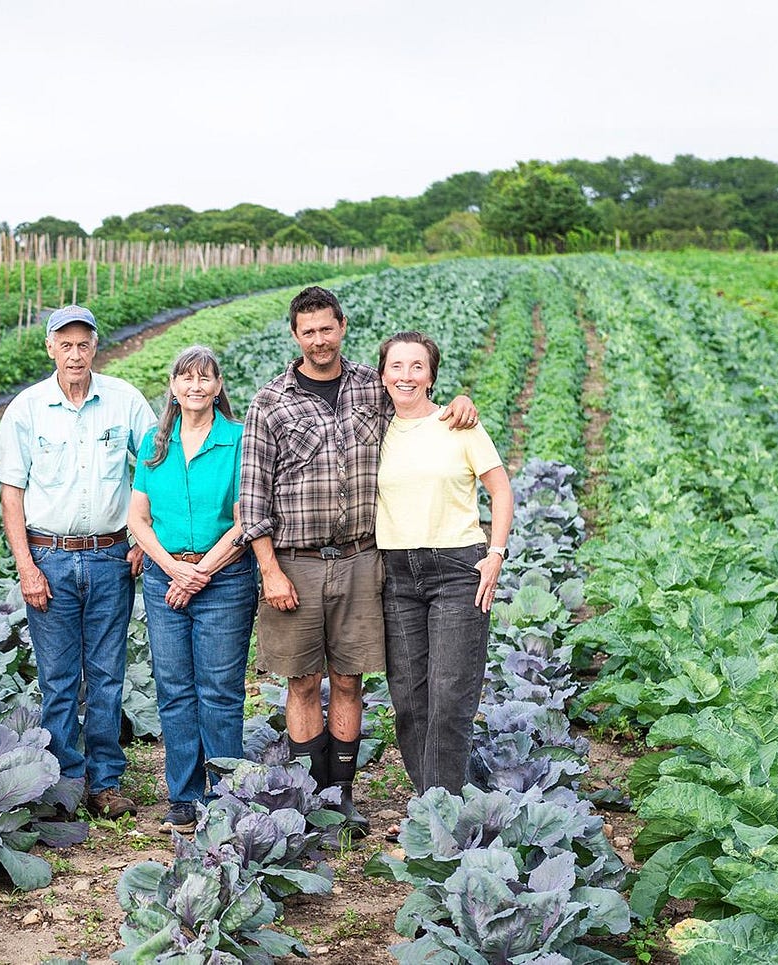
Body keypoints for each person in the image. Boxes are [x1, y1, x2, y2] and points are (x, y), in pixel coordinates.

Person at [238, 285, 477, 837]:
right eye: (308, 332)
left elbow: (423, 406)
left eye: (327, 328)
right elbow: (251, 497)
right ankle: (306, 800)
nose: (319, 340)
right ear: (295, 337)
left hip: (362, 558)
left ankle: (340, 797)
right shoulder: (271, 401)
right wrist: (269, 569)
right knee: (301, 682)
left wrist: (462, 402)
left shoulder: (372, 386)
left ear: (342, 327)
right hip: (294, 562)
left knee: (348, 681)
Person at [0, 304, 156, 820]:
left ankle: (105, 780)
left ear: (95, 347)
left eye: (84, 344)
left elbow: (153, 468)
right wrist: (26, 567)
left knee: (107, 674)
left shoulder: (124, 401)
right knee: (59, 677)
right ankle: (64, 781)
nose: (75, 353)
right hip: (50, 557)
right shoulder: (28, 407)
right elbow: (10, 495)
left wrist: (141, 541)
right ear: (50, 348)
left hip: (109, 556)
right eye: (66, 344)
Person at [126, 346, 256, 834]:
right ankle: (183, 797)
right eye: (186, 378)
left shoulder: (239, 440)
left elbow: (245, 520)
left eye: (205, 378)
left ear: (218, 386)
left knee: (220, 691)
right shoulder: (155, 443)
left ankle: (226, 797)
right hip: (166, 577)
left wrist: (200, 570)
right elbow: (138, 518)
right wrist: (172, 569)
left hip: (224, 578)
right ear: (174, 387)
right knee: (174, 690)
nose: (195, 387)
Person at [376, 331, 513, 796]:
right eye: (397, 366)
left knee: (449, 698)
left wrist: (495, 554)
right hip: (396, 573)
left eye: (417, 366)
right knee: (409, 699)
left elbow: (501, 489)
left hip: (458, 569)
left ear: (431, 374)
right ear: (382, 374)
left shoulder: (460, 424)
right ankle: (430, 800)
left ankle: (442, 813)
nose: (406, 375)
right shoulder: (373, 428)